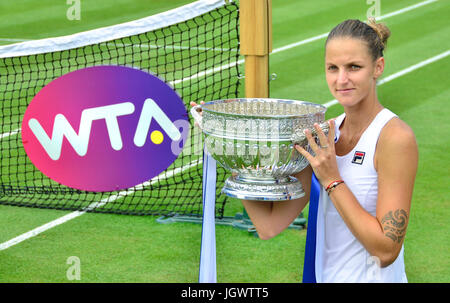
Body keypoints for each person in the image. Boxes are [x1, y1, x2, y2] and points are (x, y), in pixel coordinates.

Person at [191, 18, 418, 283]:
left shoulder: (394, 138)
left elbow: (386, 250)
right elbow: (268, 226)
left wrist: (332, 179)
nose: (341, 79)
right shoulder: (323, 135)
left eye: (354, 67)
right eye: (332, 68)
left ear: (377, 67)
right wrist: (235, 143)